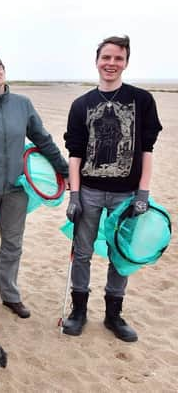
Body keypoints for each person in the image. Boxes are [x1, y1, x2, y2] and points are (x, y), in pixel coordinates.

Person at [63, 35, 163, 342]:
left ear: (126, 62)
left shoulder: (141, 100)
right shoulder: (82, 105)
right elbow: (76, 154)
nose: (111, 63)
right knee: (82, 253)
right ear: (97, 61)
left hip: (126, 193)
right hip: (90, 190)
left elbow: (146, 149)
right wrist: (75, 195)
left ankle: (113, 315)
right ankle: (78, 310)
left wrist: (143, 193)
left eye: (118, 58)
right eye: (106, 57)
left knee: (121, 253)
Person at [0, 49, 68, 321]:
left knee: (12, 244)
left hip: (17, 188)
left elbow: (43, 140)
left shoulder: (23, 104)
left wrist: (64, 170)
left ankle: (10, 295)